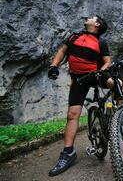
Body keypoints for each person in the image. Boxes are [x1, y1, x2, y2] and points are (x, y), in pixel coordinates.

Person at [47, 15, 115, 176]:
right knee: (72, 114)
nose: (87, 18)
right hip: (79, 79)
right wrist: (53, 65)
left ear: (97, 24)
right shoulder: (74, 36)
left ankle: (121, 114)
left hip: (96, 74)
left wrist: (102, 71)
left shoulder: (101, 42)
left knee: (116, 83)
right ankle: (68, 153)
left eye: (92, 17)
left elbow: (107, 61)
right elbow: (62, 51)